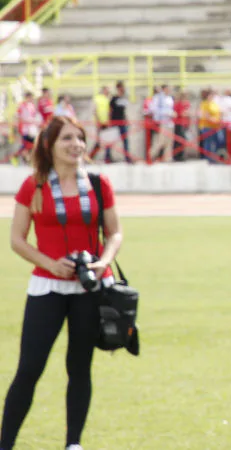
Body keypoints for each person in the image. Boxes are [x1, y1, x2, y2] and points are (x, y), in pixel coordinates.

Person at [1, 115, 123, 450]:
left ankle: (73, 443)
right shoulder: (35, 185)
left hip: (89, 288)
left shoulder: (99, 183)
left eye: (80, 138)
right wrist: (51, 264)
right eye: (67, 139)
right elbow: (17, 239)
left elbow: (114, 232)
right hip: (47, 287)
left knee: (80, 366)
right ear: (50, 146)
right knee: (29, 369)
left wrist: (103, 261)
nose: (76, 145)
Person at [108, 82, 133, 164]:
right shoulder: (114, 98)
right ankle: (107, 157)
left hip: (122, 122)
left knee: (125, 140)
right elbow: (110, 110)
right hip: (115, 122)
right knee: (111, 140)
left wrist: (127, 120)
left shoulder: (124, 99)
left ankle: (127, 157)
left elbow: (124, 111)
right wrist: (110, 121)